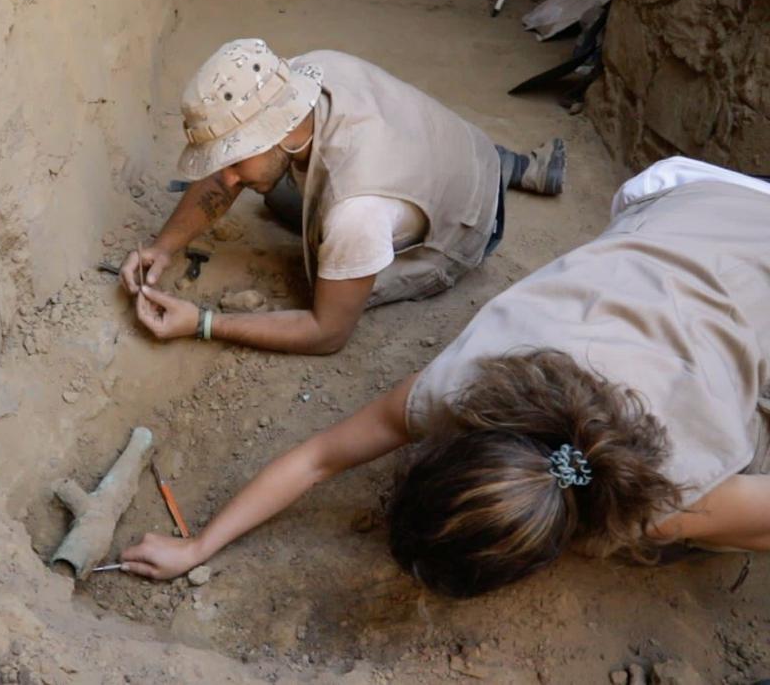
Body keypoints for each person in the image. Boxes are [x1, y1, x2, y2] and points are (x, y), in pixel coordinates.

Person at [119, 158, 770, 597]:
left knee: (671, 541)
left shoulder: (664, 501)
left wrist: (694, 521)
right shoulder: (460, 383)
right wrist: (198, 545)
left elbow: (321, 457)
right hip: (690, 197)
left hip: (711, 212)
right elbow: (317, 458)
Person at [120, 38, 566, 354]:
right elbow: (231, 176)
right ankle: (510, 164)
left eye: (234, 160)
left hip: (465, 231)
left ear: (277, 132)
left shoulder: (355, 212)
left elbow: (327, 333)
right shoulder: (303, 74)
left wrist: (202, 323)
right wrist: (163, 246)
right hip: (462, 148)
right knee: (272, 192)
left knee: (320, 275)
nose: (228, 178)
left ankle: (483, 193)